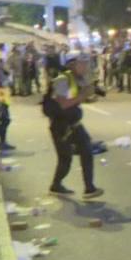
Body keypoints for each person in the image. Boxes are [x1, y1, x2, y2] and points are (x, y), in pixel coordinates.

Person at [47, 53, 104, 198]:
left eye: (86, 64)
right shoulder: (61, 80)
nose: (85, 67)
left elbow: (77, 98)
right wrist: (84, 95)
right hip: (61, 126)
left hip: (74, 124)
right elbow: (64, 104)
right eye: (82, 64)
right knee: (65, 159)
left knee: (87, 151)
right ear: (71, 65)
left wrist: (90, 97)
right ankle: (56, 184)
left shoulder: (78, 79)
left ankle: (89, 188)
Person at [0, 55, 13, 155]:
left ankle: (2, 141)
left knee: (4, 121)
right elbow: (5, 83)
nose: (3, 64)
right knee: (3, 121)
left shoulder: (2, 72)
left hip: (4, 101)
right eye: (1, 62)